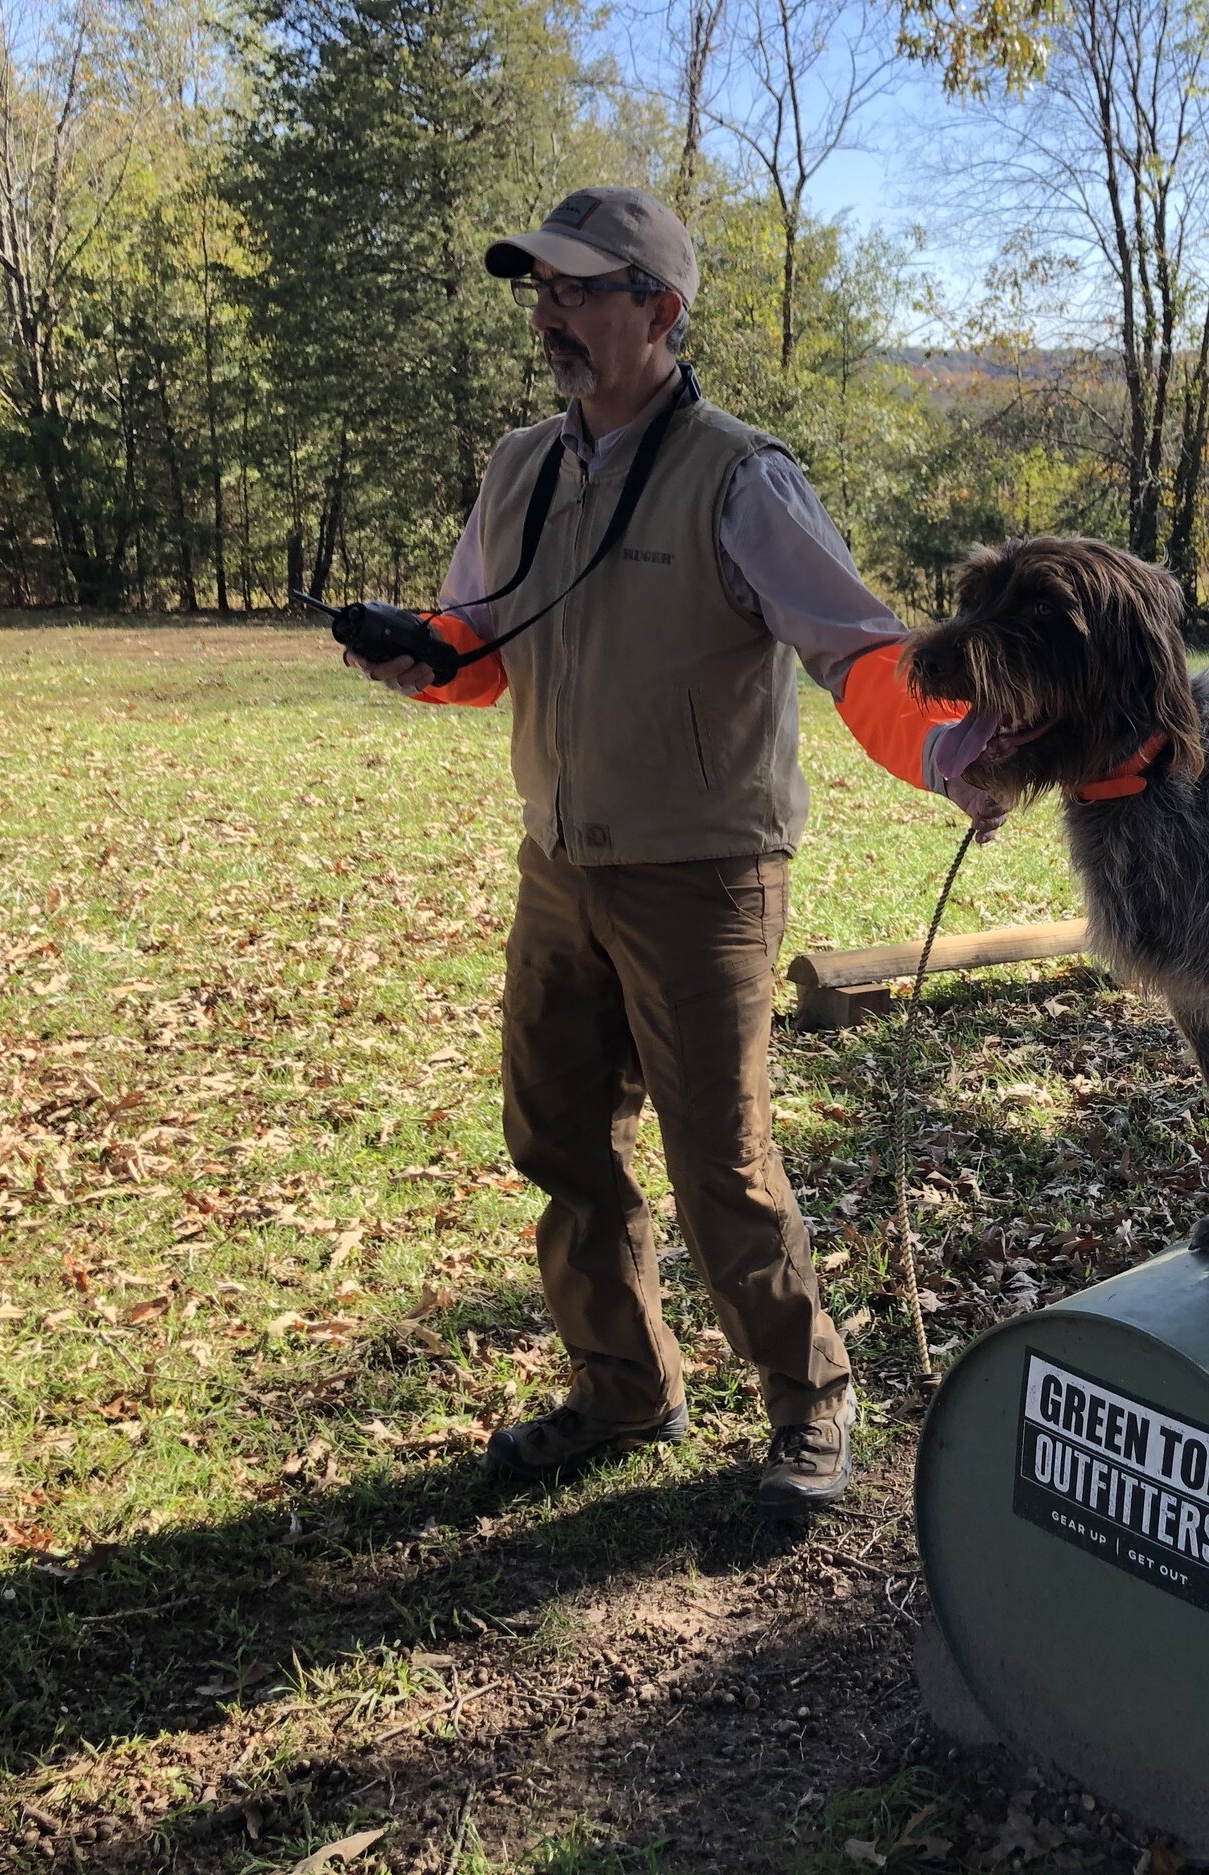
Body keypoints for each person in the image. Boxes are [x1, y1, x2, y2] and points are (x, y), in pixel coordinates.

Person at [343, 185, 1001, 1510]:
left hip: (705, 879)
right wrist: (415, 655)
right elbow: (484, 643)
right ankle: (624, 1389)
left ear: (662, 309)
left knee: (722, 1162)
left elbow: (857, 649)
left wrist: (950, 750)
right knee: (558, 1139)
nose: (554, 315)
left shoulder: (739, 476)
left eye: (580, 291)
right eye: (541, 290)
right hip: (560, 865)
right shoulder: (524, 465)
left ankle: (811, 1400)